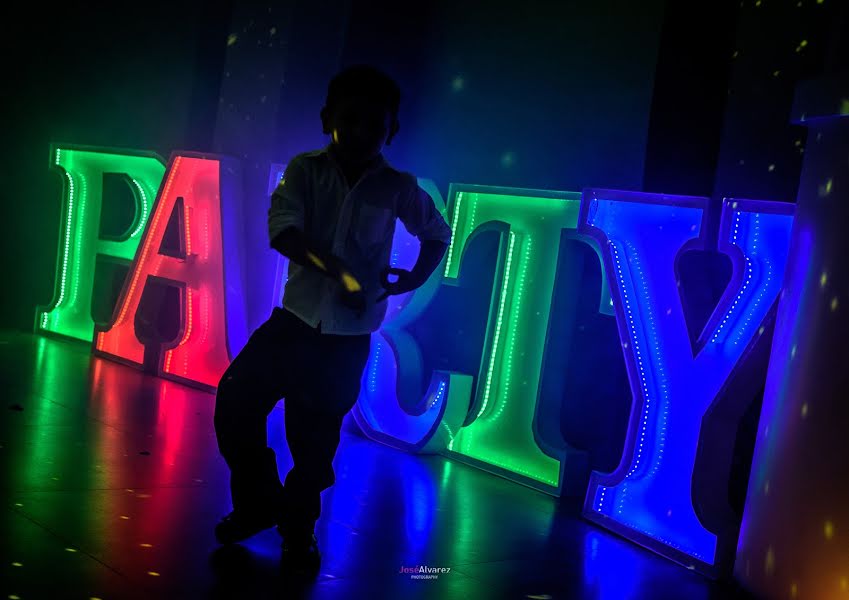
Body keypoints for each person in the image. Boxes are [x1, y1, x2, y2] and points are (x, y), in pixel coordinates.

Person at [212, 64, 452, 577]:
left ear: (393, 131)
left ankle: (298, 530)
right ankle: (259, 505)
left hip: (345, 341)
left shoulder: (398, 187)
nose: (363, 132)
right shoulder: (304, 170)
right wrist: (337, 272)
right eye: (352, 120)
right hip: (293, 323)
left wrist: (411, 279)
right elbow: (282, 232)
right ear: (328, 119)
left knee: (315, 444)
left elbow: (437, 233)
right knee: (235, 404)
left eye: (376, 124)